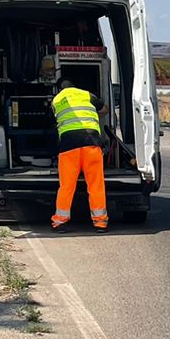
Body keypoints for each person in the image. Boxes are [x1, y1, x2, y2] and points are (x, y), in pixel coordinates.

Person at [49, 76, 108, 231]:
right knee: (96, 184)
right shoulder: (86, 95)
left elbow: (53, 115)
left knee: (67, 186)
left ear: (59, 88)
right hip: (92, 144)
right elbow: (104, 109)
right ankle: (100, 222)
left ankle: (60, 221)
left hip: (69, 146)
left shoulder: (56, 100)